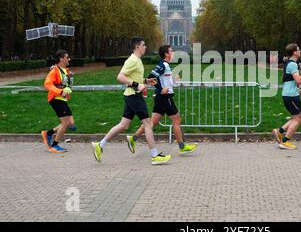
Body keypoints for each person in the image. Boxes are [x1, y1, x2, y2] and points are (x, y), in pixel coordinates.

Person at [91, 37, 171, 165]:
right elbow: (120, 77)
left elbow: (134, 77)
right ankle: (155, 155)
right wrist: (136, 84)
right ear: (137, 46)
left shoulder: (137, 60)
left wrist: (145, 81)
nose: (145, 47)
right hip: (134, 96)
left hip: (131, 95)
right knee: (148, 123)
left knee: (124, 125)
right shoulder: (132, 60)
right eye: (144, 45)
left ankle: (99, 145)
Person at [127, 45, 197, 156]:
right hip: (164, 98)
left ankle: (133, 138)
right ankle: (182, 147)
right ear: (166, 54)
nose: (173, 53)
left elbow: (166, 81)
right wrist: (160, 89)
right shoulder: (162, 65)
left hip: (163, 98)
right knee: (177, 120)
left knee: (150, 123)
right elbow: (151, 77)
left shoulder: (167, 66)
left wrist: (174, 80)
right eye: (171, 51)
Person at [272, 43, 301, 150]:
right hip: (290, 96)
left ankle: (280, 131)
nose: (300, 51)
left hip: (290, 94)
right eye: (298, 49)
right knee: (297, 118)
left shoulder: (289, 63)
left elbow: (286, 79)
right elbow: (298, 79)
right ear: (294, 52)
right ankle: (284, 141)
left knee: (300, 118)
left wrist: (296, 89)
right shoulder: (292, 64)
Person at [41, 50, 75, 153]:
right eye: (67, 57)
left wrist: (70, 79)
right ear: (61, 59)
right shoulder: (55, 70)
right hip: (56, 99)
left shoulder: (66, 70)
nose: (69, 59)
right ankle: (54, 146)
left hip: (62, 99)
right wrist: (60, 92)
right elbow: (47, 84)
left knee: (70, 123)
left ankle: (48, 133)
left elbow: (67, 85)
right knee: (65, 123)